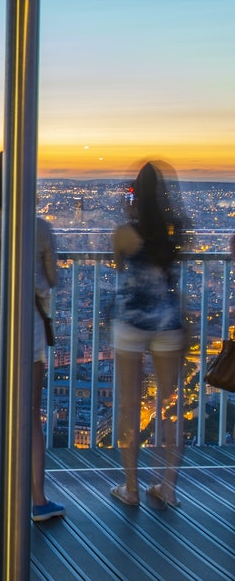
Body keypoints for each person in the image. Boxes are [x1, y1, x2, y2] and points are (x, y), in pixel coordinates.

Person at [0, 151, 65, 521]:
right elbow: (51, 279)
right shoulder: (40, 227)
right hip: (25, 326)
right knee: (30, 416)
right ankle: (36, 499)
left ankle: (3, 496)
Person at [109, 161, 188, 508]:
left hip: (131, 323)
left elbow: (119, 264)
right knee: (170, 406)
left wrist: (128, 214)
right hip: (168, 322)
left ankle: (131, 488)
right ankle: (166, 486)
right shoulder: (177, 229)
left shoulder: (125, 232)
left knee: (128, 406)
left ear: (135, 195)